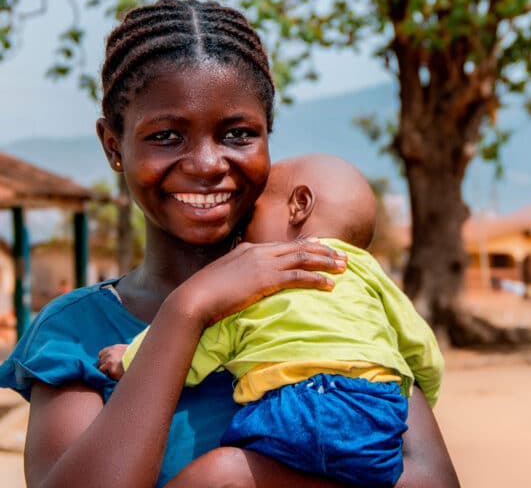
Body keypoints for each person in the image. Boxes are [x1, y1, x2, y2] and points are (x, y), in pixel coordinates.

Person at [0, 0, 459, 488]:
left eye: (238, 133)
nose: (206, 164)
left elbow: (432, 479)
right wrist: (189, 309)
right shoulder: (76, 333)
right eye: (167, 136)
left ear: (267, 138)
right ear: (114, 145)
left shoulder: (324, 291)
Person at [99, 153, 444, 487]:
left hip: (294, 412)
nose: (239, 237)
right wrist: (409, 397)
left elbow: (208, 341)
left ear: (299, 205)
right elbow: (420, 346)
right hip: (375, 419)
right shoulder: (369, 274)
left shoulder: (264, 278)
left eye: (249, 216)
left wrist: (132, 358)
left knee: (214, 475)